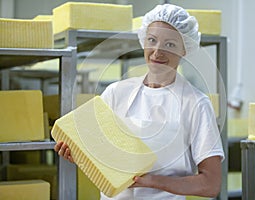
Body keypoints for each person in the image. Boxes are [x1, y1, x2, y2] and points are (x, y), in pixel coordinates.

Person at [54, 3, 224, 199]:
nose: (157, 51)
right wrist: (81, 154)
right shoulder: (116, 92)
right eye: (152, 40)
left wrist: (152, 181)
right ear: (144, 40)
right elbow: (102, 154)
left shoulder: (196, 104)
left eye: (170, 44)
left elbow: (210, 184)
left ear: (184, 49)